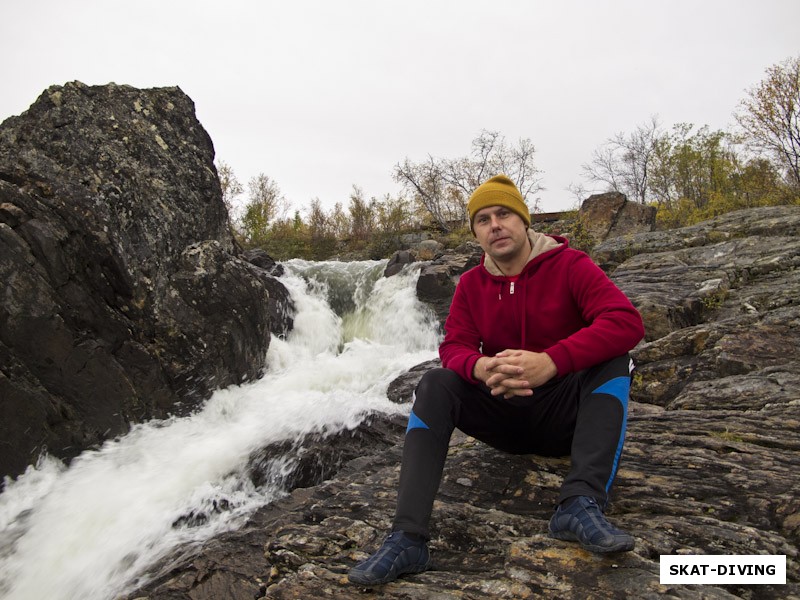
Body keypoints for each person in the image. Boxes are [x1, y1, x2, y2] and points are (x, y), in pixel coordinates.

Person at [348, 174, 645, 586]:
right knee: (435, 383)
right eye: (483, 220)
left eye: (504, 214)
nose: (495, 225)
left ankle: (579, 503)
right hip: (505, 415)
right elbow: (454, 347)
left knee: (615, 360)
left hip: (566, 418)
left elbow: (626, 322)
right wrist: (480, 368)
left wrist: (551, 361)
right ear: (476, 233)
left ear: (524, 221)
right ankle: (408, 537)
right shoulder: (471, 284)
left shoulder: (570, 265)